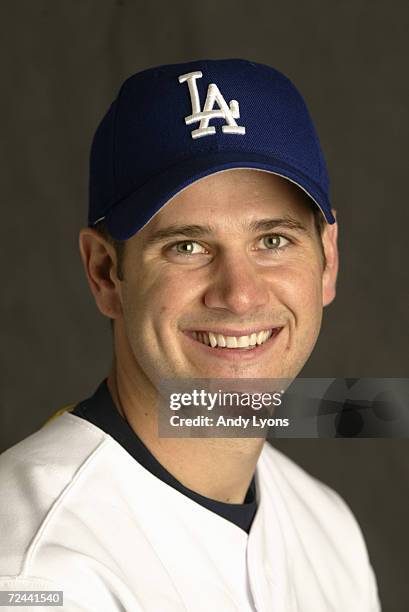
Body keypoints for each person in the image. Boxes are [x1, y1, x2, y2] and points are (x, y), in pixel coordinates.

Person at [0, 59, 381, 611]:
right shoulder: (34, 573)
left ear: (327, 263)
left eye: (273, 241)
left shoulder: (327, 528)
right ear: (106, 273)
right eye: (187, 247)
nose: (240, 294)